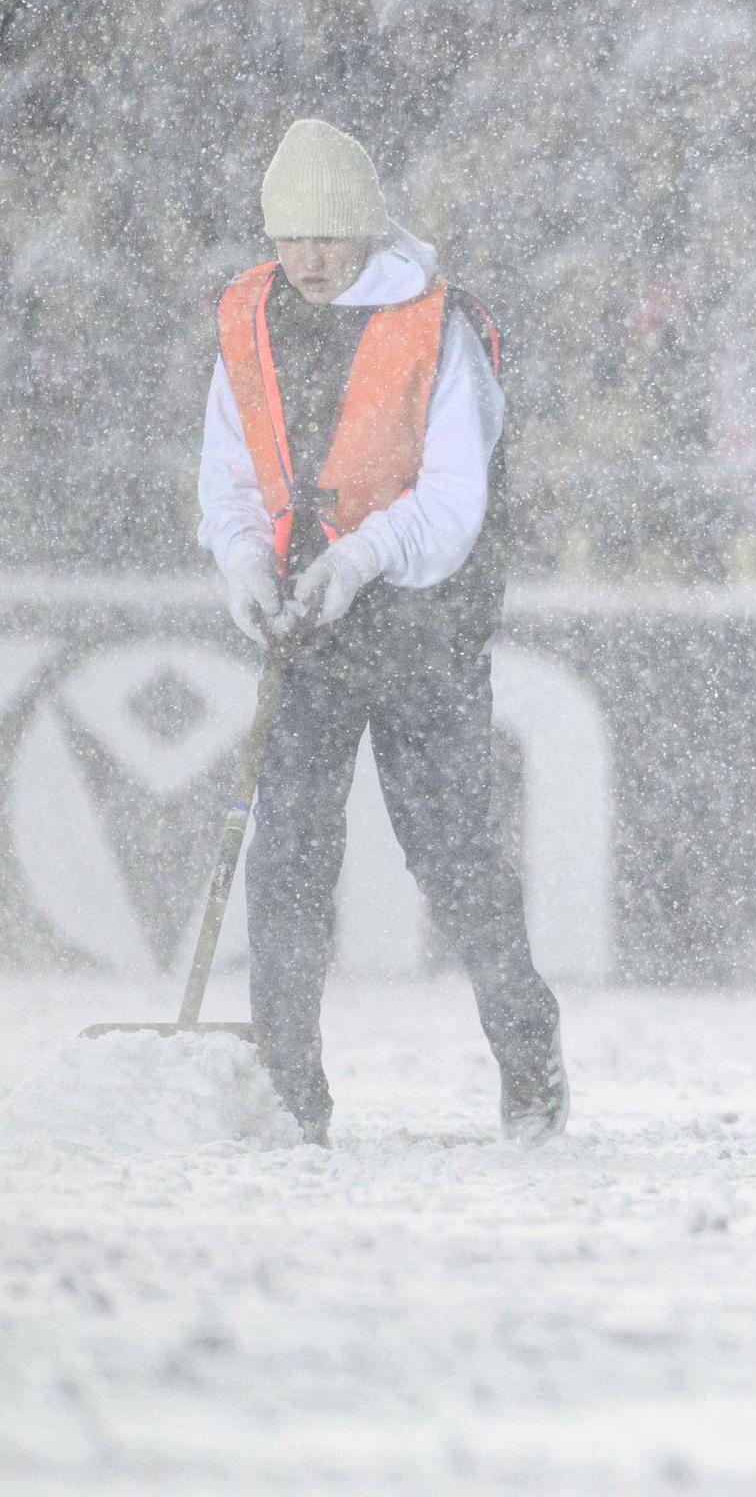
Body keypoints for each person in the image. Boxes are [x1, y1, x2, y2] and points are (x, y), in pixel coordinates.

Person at [199, 118, 564, 1145]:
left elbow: (453, 502)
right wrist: (244, 563)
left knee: (452, 856)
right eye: (290, 236)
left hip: (422, 631)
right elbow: (230, 474)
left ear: (365, 228)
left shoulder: (438, 327)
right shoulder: (248, 320)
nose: (308, 257)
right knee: (288, 858)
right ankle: (289, 1091)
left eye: (327, 235)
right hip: (307, 629)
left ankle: (528, 1053)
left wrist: (356, 559)